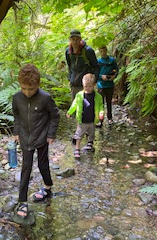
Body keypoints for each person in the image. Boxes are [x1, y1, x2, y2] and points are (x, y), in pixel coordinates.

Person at [12, 64, 60, 218]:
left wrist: (51, 134)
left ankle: (47, 187)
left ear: (38, 84)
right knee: (26, 168)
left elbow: (55, 116)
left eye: (31, 89)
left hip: (42, 137)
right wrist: (16, 132)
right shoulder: (17, 98)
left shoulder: (45, 98)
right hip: (25, 139)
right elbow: (17, 116)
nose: (27, 92)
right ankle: (22, 201)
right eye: (24, 88)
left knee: (42, 163)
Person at [66, 73, 104, 158]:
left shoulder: (97, 96)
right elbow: (74, 104)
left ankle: (90, 144)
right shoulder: (79, 95)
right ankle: (77, 149)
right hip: (82, 119)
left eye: (89, 86)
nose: (87, 88)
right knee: (79, 135)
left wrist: (101, 112)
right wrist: (70, 111)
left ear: (94, 85)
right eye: (85, 86)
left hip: (92, 120)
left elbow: (101, 105)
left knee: (92, 134)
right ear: (83, 85)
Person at [65, 29, 99, 100]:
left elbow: (96, 67)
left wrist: (94, 81)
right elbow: (70, 66)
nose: (75, 41)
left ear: (80, 39)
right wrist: (70, 78)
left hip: (87, 85)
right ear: (70, 40)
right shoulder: (68, 52)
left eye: (77, 39)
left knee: (87, 107)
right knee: (76, 106)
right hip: (74, 84)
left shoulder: (88, 51)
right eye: (73, 39)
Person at [97, 45, 119, 125]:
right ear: (100, 52)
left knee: (109, 102)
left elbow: (116, 70)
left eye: (104, 51)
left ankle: (110, 118)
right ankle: (100, 120)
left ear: (106, 50)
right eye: (101, 51)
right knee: (101, 103)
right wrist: (101, 76)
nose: (103, 53)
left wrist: (114, 76)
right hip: (101, 84)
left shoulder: (112, 60)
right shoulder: (98, 61)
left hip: (110, 84)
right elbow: (96, 72)